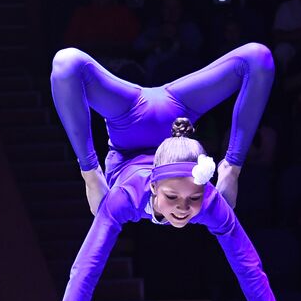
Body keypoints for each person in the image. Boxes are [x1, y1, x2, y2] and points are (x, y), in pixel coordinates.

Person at [38, 119, 299, 301]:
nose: (183, 208)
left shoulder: (211, 203)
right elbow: (89, 262)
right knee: (69, 71)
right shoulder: (125, 197)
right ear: (153, 187)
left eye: (193, 198)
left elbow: (247, 264)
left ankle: (232, 165)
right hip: (127, 144)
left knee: (257, 69)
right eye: (172, 197)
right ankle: (88, 167)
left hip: (172, 131)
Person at [49, 44, 275, 211]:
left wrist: (90, 173)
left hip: (127, 116)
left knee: (65, 61)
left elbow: (66, 69)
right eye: (187, 201)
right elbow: (258, 61)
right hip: (177, 111)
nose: (181, 208)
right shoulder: (203, 202)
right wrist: (232, 169)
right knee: (259, 57)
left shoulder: (117, 203)